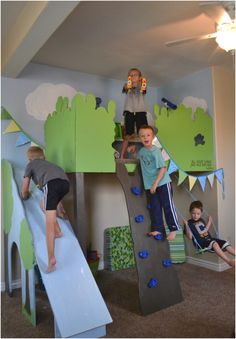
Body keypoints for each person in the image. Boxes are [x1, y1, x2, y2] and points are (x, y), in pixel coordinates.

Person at [21, 146, 70, 273]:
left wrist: (25, 196)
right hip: (65, 183)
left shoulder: (30, 165)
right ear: (44, 157)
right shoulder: (49, 164)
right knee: (43, 205)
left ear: (29, 159)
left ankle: (51, 259)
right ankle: (58, 231)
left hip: (51, 184)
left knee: (48, 223)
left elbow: (24, 189)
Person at [135, 125, 180, 240]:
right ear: (139, 138)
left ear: (153, 137)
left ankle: (174, 229)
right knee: (155, 207)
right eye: (142, 136)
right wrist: (132, 149)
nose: (145, 137)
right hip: (151, 186)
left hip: (162, 183)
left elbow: (163, 168)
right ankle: (158, 229)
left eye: (148, 135)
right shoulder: (142, 151)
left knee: (167, 205)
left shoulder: (155, 151)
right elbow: (139, 156)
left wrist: (155, 183)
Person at [183, 200, 235, 267]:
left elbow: (205, 230)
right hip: (201, 243)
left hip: (209, 239)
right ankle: (228, 261)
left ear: (201, 213)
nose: (195, 216)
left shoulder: (201, 220)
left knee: (225, 243)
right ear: (190, 212)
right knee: (214, 243)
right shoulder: (189, 223)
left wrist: (210, 222)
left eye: (198, 214)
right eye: (193, 213)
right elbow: (190, 237)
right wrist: (186, 225)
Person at [120, 68, 148, 159]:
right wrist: (128, 86)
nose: (132, 76)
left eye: (135, 75)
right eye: (130, 75)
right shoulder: (127, 85)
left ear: (140, 77)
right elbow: (125, 89)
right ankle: (121, 156)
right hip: (129, 111)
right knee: (128, 134)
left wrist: (138, 84)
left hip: (140, 111)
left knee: (144, 133)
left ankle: (147, 155)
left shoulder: (142, 85)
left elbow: (142, 89)